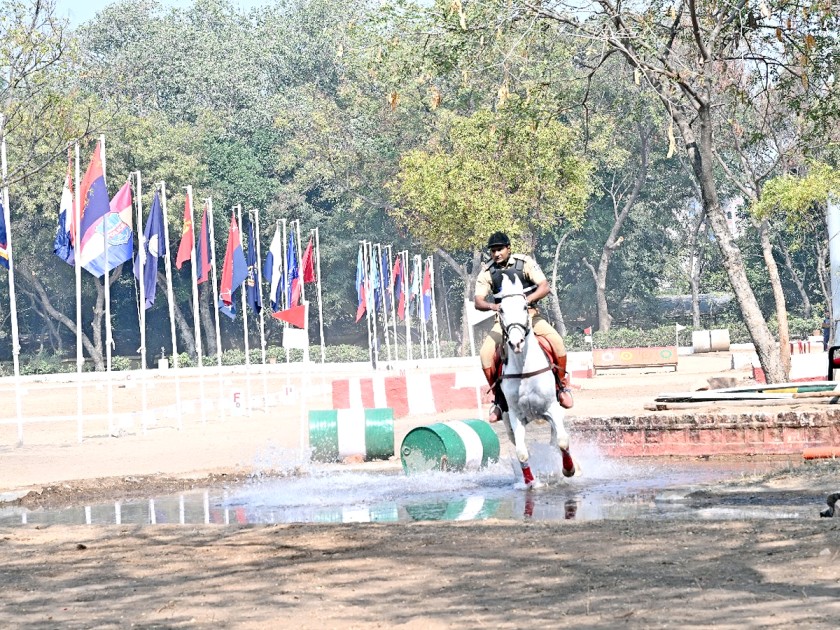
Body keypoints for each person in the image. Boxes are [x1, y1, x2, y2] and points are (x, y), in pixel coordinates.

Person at [474, 231, 572, 423]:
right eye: (493, 251)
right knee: (485, 354)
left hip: (531, 316)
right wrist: (493, 306)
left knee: (557, 341)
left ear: (508, 248)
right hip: (503, 322)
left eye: (500, 249)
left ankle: (561, 387)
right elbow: (478, 301)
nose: (496, 254)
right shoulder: (487, 272)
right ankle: (499, 400)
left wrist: (526, 301)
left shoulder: (524, 263)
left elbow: (544, 286)